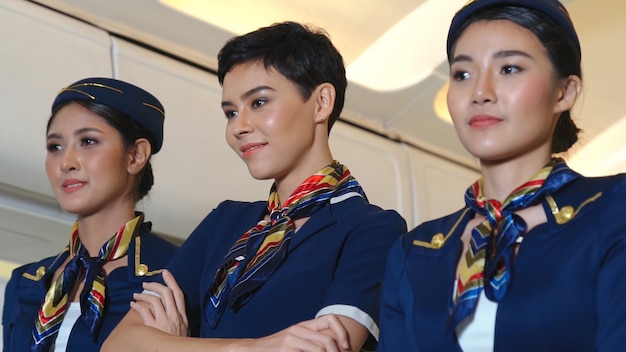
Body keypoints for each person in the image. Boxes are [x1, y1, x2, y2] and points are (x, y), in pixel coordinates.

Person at [103, 21, 407, 352]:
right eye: (231, 113)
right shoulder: (224, 223)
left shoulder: (372, 229)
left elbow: (322, 348)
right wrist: (256, 348)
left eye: (259, 103)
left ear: (321, 102)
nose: (238, 128)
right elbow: (119, 344)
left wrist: (175, 345)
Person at [377, 0, 626, 351]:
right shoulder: (414, 251)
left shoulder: (612, 210)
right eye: (463, 75)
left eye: (509, 69)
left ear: (564, 92)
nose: (480, 93)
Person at [2, 77, 179, 351]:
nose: (66, 162)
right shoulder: (26, 283)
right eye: (55, 147)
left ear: (136, 155)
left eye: (88, 141)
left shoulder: (173, 275)